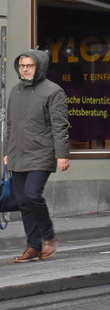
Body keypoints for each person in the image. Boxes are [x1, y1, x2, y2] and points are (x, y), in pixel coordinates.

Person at [3, 50, 70, 263]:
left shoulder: (53, 91)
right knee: (22, 200)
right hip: (17, 153)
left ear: (39, 67)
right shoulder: (15, 91)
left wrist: (62, 155)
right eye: (22, 65)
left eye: (30, 65)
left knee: (32, 194)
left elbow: (59, 126)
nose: (25, 69)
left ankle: (48, 236)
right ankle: (33, 246)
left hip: (42, 152)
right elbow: (10, 125)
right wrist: (6, 151)